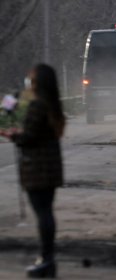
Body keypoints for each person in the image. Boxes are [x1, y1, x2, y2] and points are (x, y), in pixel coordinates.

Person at [0, 64, 65, 278]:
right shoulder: (52, 105)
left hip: (37, 168)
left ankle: (47, 259)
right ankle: (48, 258)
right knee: (46, 212)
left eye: (31, 80)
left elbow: (28, 135)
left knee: (43, 214)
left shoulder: (38, 105)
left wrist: (12, 135)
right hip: (50, 168)